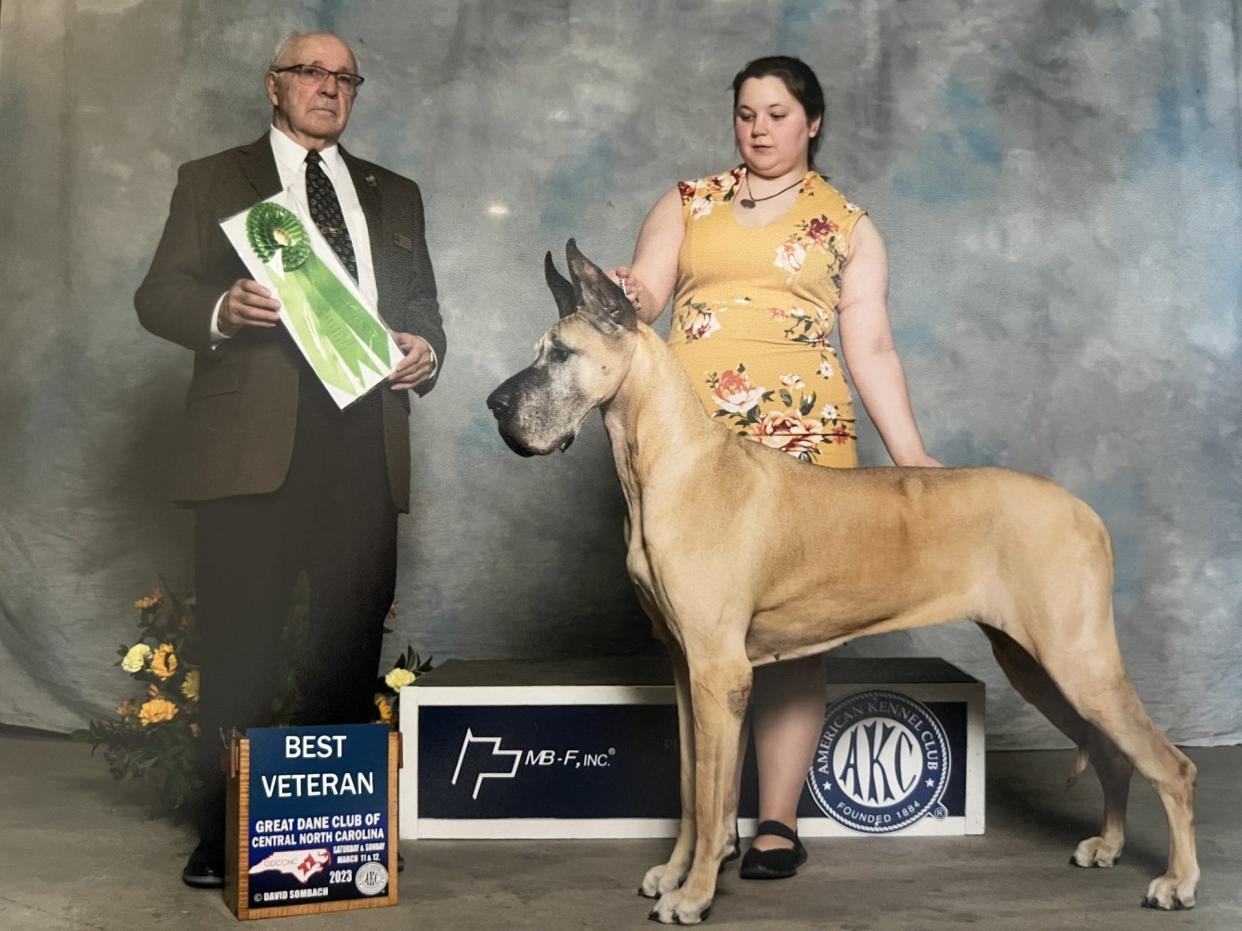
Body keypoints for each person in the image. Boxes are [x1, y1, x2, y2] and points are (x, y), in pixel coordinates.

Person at [611, 55, 941, 879]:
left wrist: (914, 462)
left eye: (778, 114)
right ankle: (705, 832)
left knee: (792, 642)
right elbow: (646, 293)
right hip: (691, 448)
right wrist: (627, 293)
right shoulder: (688, 202)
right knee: (700, 637)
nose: (759, 128)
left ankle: (777, 822)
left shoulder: (851, 224)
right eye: (747, 114)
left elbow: (871, 349)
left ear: (813, 122)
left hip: (805, 448)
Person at [134, 31, 445, 888]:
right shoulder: (213, 179)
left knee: (346, 650)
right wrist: (221, 308)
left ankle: (334, 830)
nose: (328, 88)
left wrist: (426, 350)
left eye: (345, 77)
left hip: (364, 444)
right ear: (274, 85)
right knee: (241, 645)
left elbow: (423, 307)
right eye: (312, 72)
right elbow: (158, 295)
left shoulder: (397, 193)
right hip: (251, 450)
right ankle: (222, 830)